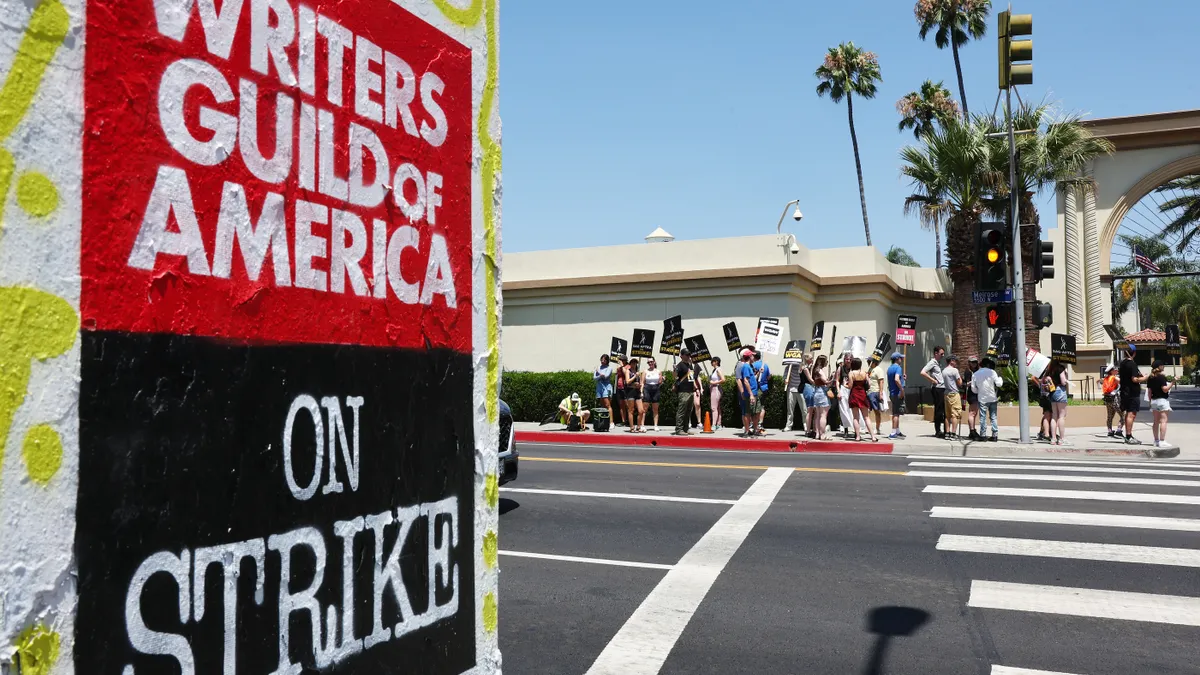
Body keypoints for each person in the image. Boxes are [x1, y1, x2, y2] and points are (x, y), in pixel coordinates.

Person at [1118, 346, 1145, 445]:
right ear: (1134, 353)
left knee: (1128, 413)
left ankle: (1128, 435)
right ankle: (1128, 436)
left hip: (1124, 391)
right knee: (1131, 414)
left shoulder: (1122, 364)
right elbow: (1134, 379)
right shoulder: (1132, 364)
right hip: (1132, 392)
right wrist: (1145, 378)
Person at [972, 357, 1003, 441]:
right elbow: (999, 384)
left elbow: (973, 389)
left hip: (982, 398)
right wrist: (1000, 378)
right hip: (992, 398)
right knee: (993, 417)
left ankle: (983, 435)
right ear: (988, 364)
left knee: (982, 417)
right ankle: (995, 435)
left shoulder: (975, 374)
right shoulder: (992, 372)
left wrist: (979, 391)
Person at [847, 357, 877, 442]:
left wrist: (845, 385)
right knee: (866, 417)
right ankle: (873, 437)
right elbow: (869, 384)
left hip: (854, 395)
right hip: (863, 395)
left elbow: (850, 386)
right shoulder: (864, 373)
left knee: (856, 418)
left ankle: (858, 436)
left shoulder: (851, 373)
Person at [1147, 360, 1175, 448]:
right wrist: (1172, 383)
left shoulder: (1150, 378)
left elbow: (1149, 392)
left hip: (1154, 400)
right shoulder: (1161, 377)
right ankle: (1162, 441)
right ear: (1159, 367)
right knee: (1163, 421)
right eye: (1162, 365)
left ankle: (1156, 440)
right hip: (1162, 400)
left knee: (1155, 421)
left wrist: (1150, 401)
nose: (1163, 366)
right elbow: (1165, 389)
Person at [920, 346, 946, 438]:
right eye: (941, 354)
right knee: (938, 409)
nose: (943, 355)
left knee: (943, 409)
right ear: (936, 353)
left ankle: (946, 430)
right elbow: (923, 372)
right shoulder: (932, 363)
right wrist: (932, 380)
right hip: (937, 388)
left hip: (943, 388)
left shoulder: (939, 363)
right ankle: (938, 430)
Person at [736, 348, 762, 437]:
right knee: (748, 412)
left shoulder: (749, 366)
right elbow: (746, 381)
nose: (753, 357)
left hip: (755, 393)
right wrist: (750, 394)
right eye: (752, 355)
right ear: (749, 356)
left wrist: (758, 373)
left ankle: (755, 429)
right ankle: (747, 431)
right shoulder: (745, 367)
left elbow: (751, 378)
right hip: (751, 394)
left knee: (757, 411)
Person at [673, 349, 696, 436]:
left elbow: (691, 377)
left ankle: (685, 428)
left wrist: (694, 387)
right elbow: (675, 376)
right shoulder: (680, 365)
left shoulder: (690, 365)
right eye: (686, 355)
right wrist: (674, 370)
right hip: (683, 391)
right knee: (682, 411)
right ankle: (679, 429)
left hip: (690, 390)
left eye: (689, 355)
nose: (688, 356)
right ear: (681, 356)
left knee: (688, 411)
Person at [783, 356, 808, 433]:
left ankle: (806, 425)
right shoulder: (788, 367)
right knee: (790, 410)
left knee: (804, 409)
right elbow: (785, 378)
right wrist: (786, 380)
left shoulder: (802, 367)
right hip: (791, 389)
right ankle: (788, 425)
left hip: (801, 390)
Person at [1047, 363, 1069, 445]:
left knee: (1054, 415)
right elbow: (1063, 382)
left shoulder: (1050, 368)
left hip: (1052, 391)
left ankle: (1053, 438)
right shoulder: (1060, 368)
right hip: (1060, 390)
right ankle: (1062, 439)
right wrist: (1065, 375)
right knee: (1061, 416)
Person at [810, 354, 831, 439]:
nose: (827, 362)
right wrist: (832, 379)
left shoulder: (814, 370)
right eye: (826, 361)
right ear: (822, 362)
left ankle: (817, 433)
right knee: (823, 415)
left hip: (816, 391)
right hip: (822, 392)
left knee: (818, 415)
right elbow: (825, 381)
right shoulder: (820, 371)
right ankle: (822, 434)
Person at [942, 355, 963, 439]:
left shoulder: (944, 371)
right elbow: (960, 383)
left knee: (947, 415)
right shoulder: (954, 370)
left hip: (946, 393)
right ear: (952, 361)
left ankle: (947, 433)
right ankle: (953, 433)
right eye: (955, 361)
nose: (956, 363)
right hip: (954, 394)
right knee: (955, 414)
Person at [887, 352, 906, 439]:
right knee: (896, 413)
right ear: (897, 359)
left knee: (896, 412)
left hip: (892, 392)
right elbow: (896, 379)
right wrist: (902, 390)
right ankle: (893, 433)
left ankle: (897, 431)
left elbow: (895, 378)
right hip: (897, 393)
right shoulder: (898, 368)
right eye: (900, 358)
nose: (901, 360)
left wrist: (903, 378)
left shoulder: (890, 368)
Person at [835, 352, 853, 439]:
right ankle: (845, 430)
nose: (848, 361)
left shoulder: (854, 368)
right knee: (844, 410)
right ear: (844, 359)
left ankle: (856, 430)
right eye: (847, 359)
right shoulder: (840, 368)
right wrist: (838, 391)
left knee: (853, 411)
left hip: (852, 391)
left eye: (850, 359)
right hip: (843, 390)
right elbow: (837, 380)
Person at [868, 356, 887, 437]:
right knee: (867, 411)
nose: (868, 363)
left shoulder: (878, 369)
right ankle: (868, 427)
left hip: (875, 392)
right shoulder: (870, 370)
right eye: (868, 361)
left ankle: (877, 428)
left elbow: (881, 381)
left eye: (870, 361)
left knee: (876, 411)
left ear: (874, 362)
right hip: (869, 392)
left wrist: (881, 393)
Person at [593, 355, 614, 427]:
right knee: (602, 405)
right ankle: (603, 421)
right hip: (599, 387)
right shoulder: (599, 368)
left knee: (607, 405)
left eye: (604, 360)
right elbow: (595, 378)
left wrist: (598, 372)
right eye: (601, 360)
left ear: (607, 361)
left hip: (606, 387)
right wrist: (599, 375)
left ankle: (611, 423)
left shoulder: (609, 368)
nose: (602, 361)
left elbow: (605, 376)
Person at [643, 358, 664, 431]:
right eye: (648, 362)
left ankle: (655, 425)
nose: (650, 363)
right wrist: (641, 391)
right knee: (644, 409)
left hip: (656, 389)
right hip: (647, 388)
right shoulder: (645, 371)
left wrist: (662, 379)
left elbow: (660, 382)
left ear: (654, 362)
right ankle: (642, 425)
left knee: (655, 409)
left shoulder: (658, 371)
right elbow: (642, 382)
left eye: (651, 362)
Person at [623, 359, 643, 433]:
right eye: (633, 363)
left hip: (637, 392)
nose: (634, 364)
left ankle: (638, 426)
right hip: (630, 392)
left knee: (641, 410)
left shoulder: (638, 372)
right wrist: (635, 376)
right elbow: (627, 381)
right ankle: (631, 427)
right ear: (630, 364)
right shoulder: (628, 371)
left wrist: (640, 388)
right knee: (631, 410)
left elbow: (641, 383)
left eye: (635, 363)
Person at [753, 351, 771, 433]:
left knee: (755, 407)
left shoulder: (753, 365)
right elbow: (769, 376)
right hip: (764, 388)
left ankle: (754, 424)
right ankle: (760, 423)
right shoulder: (765, 365)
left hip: (757, 388)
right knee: (762, 406)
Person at [1101, 364, 1120, 437]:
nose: (1117, 371)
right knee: (1122, 415)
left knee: (1109, 416)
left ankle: (1109, 431)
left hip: (1107, 399)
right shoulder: (1114, 378)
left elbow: (1100, 382)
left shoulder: (1106, 378)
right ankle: (1119, 429)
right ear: (1112, 371)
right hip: (1114, 399)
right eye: (1115, 370)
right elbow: (1121, 382)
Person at [964, 356, 980, 440]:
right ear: (969, 363)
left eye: (975, 362)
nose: (974, 364)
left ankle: (972, 430)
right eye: (972, 362)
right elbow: (965, 384)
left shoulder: (977, 371)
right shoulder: (968, 372)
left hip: (977, 393)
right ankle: (972, 431)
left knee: (974, 413)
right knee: (972, 413)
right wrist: (973, 381)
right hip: (972, 393)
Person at [1033, 371, 1052, 442]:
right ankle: (1044, 432)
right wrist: (1039, 385)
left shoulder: (1050, 371)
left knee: (1049, 415)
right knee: (1047, 415)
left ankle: (1046, 431)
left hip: (1049, 395)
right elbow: (1033, 378)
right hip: (1045, 396)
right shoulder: (1043, 371)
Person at [709, 356, 725, 430]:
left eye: (713, 361)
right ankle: (718, 424)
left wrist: (714, 382)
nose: (711, 363)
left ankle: (714, 425)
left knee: (714, 407)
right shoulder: (715, 370)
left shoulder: (718, 369)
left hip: (716, 389)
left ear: (716, 362)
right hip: (715, 389)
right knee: (717, 407)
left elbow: (723, 379)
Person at [613, 356, 628, 427]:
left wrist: (622, 366)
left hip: (625, 388)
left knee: (627, 405)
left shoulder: (627, 367)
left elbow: (625, 373)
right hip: (619, 388)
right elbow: (616, 375)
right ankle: (623, 421)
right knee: (621, 405)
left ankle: (628, 420)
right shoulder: (619, 368)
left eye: (621, 360)